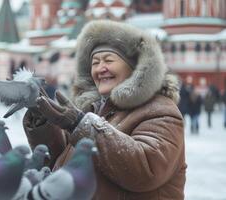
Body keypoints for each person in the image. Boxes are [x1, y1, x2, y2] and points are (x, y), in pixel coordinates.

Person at [23, 20, 186, 199]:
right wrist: (44, 126)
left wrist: (80, 124)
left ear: (134, 69)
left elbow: (145, 170)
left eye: (108, 60)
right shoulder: (96, 109)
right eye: (95, 63)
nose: (100, 69)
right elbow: (64, 164)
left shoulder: (161, 112)